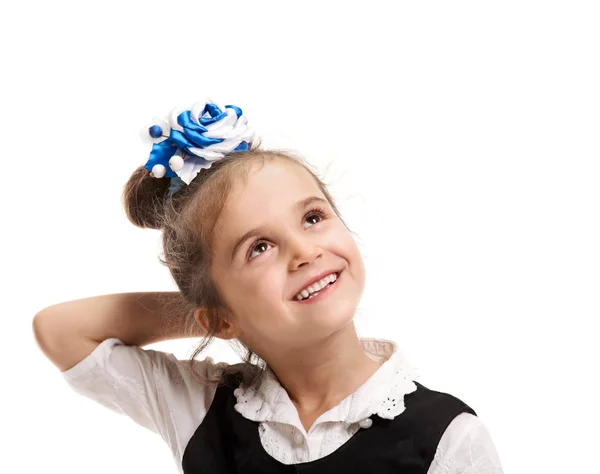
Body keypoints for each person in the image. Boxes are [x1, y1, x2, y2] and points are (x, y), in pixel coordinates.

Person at [33, 98, 504, 473]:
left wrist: (237, 303)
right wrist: (219, 306)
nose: (305, 252)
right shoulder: (202, 409)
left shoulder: (446, 437)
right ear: (218, 320)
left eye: (313, 217)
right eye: (259, 248)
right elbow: (60, 330)